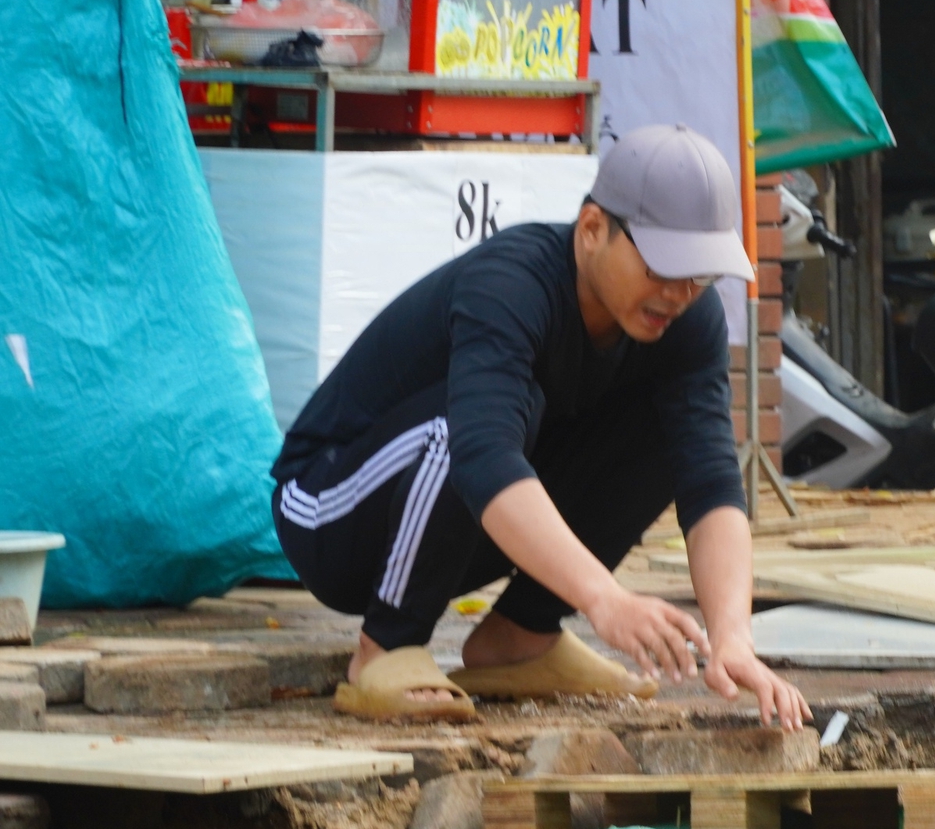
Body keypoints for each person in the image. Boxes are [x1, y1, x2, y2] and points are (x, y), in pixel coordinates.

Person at [271, 125, 808, 730]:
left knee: (672, 430)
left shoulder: (687, 321)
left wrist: (732, 638)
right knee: (478, 424)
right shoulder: (512, 285)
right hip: (328, 512)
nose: (678, 292)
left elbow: (710, 480)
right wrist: (605, 601)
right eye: (663, 265)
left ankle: (520, 638)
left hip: (461, 519)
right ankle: (386, 646)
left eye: (698, 274)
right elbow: (482, 456)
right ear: (591, 231)